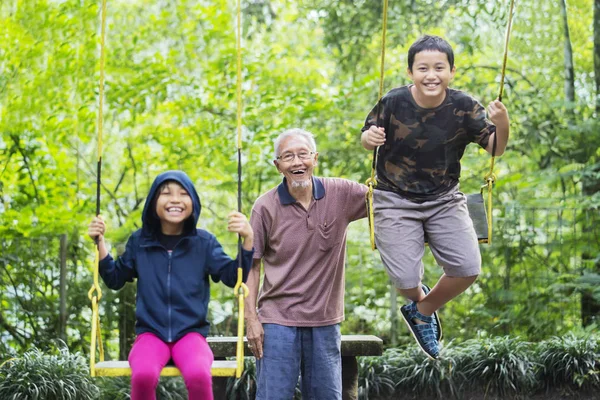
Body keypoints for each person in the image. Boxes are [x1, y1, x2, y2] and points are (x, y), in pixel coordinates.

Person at [360, 35, 510, 359]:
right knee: (404, 279)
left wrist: (503, 124)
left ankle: (423, 310)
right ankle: (418, 299)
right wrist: (369, 137)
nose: (431, 74)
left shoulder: (465, 106)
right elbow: (366, 136)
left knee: (468, 268)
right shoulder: (393, 101)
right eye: (423, 68)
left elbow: (495, 147)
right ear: (410, 71)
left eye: (439, 67)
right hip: (393, 197)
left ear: (452, 71)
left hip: (444, 198)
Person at [87, 170, 254, 400]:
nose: (175, 199)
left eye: (183, 194)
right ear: (153, 203)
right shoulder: (140, 241)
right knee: (142, 376)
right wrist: (100, 243)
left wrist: (248, 239)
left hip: (191, 335)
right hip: (150, 334)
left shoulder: (204, 243)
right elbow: (115, 278)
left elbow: (233, 277)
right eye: (166, 193)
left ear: (193, 202)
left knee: (199, 375)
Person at [245, 128, 367, 399]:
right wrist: (250, 319)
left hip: (325, 319)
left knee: (327, 396)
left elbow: (389, 200)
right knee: (272, 396)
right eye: (288, 157)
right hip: (277, 320)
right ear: (278, 166)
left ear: (315, 158)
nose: (297, 162)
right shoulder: (264, 207)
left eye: (303, 154)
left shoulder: (342, 193)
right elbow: (251, 266)